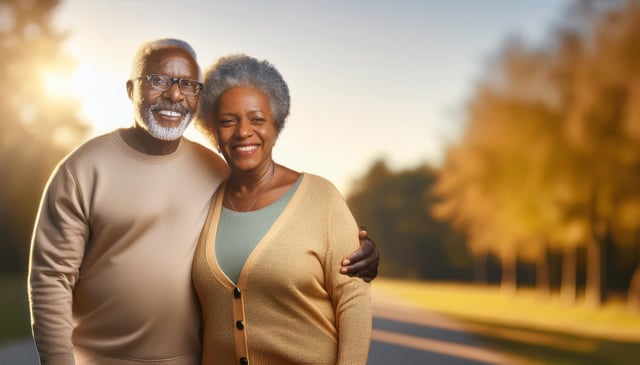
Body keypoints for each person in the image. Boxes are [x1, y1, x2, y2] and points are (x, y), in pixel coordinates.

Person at [28, 39, 378, 365]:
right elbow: (50, 279)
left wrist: (361, 253)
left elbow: (305, 244)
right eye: (159, 80)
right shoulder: (84, 169)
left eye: (188, 85)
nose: (175, 95)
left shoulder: (215, 171)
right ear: (132, 88)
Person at [192, 54, 372, 364]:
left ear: (276, 126)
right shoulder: (199, 202)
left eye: (257, 119)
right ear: (212, 130)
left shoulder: (322, 198)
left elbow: (353, 300)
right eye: (228, 120)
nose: (243, 131)